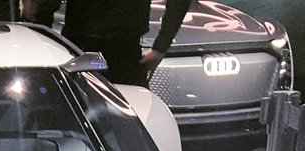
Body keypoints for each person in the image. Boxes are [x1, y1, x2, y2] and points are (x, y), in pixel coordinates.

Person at [31, 0, 193, 87]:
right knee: (133, 122)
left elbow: (45, 6)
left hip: (81, 45)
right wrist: (161, 46)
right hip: (123, 48)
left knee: (71, 119)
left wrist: (42, 38)